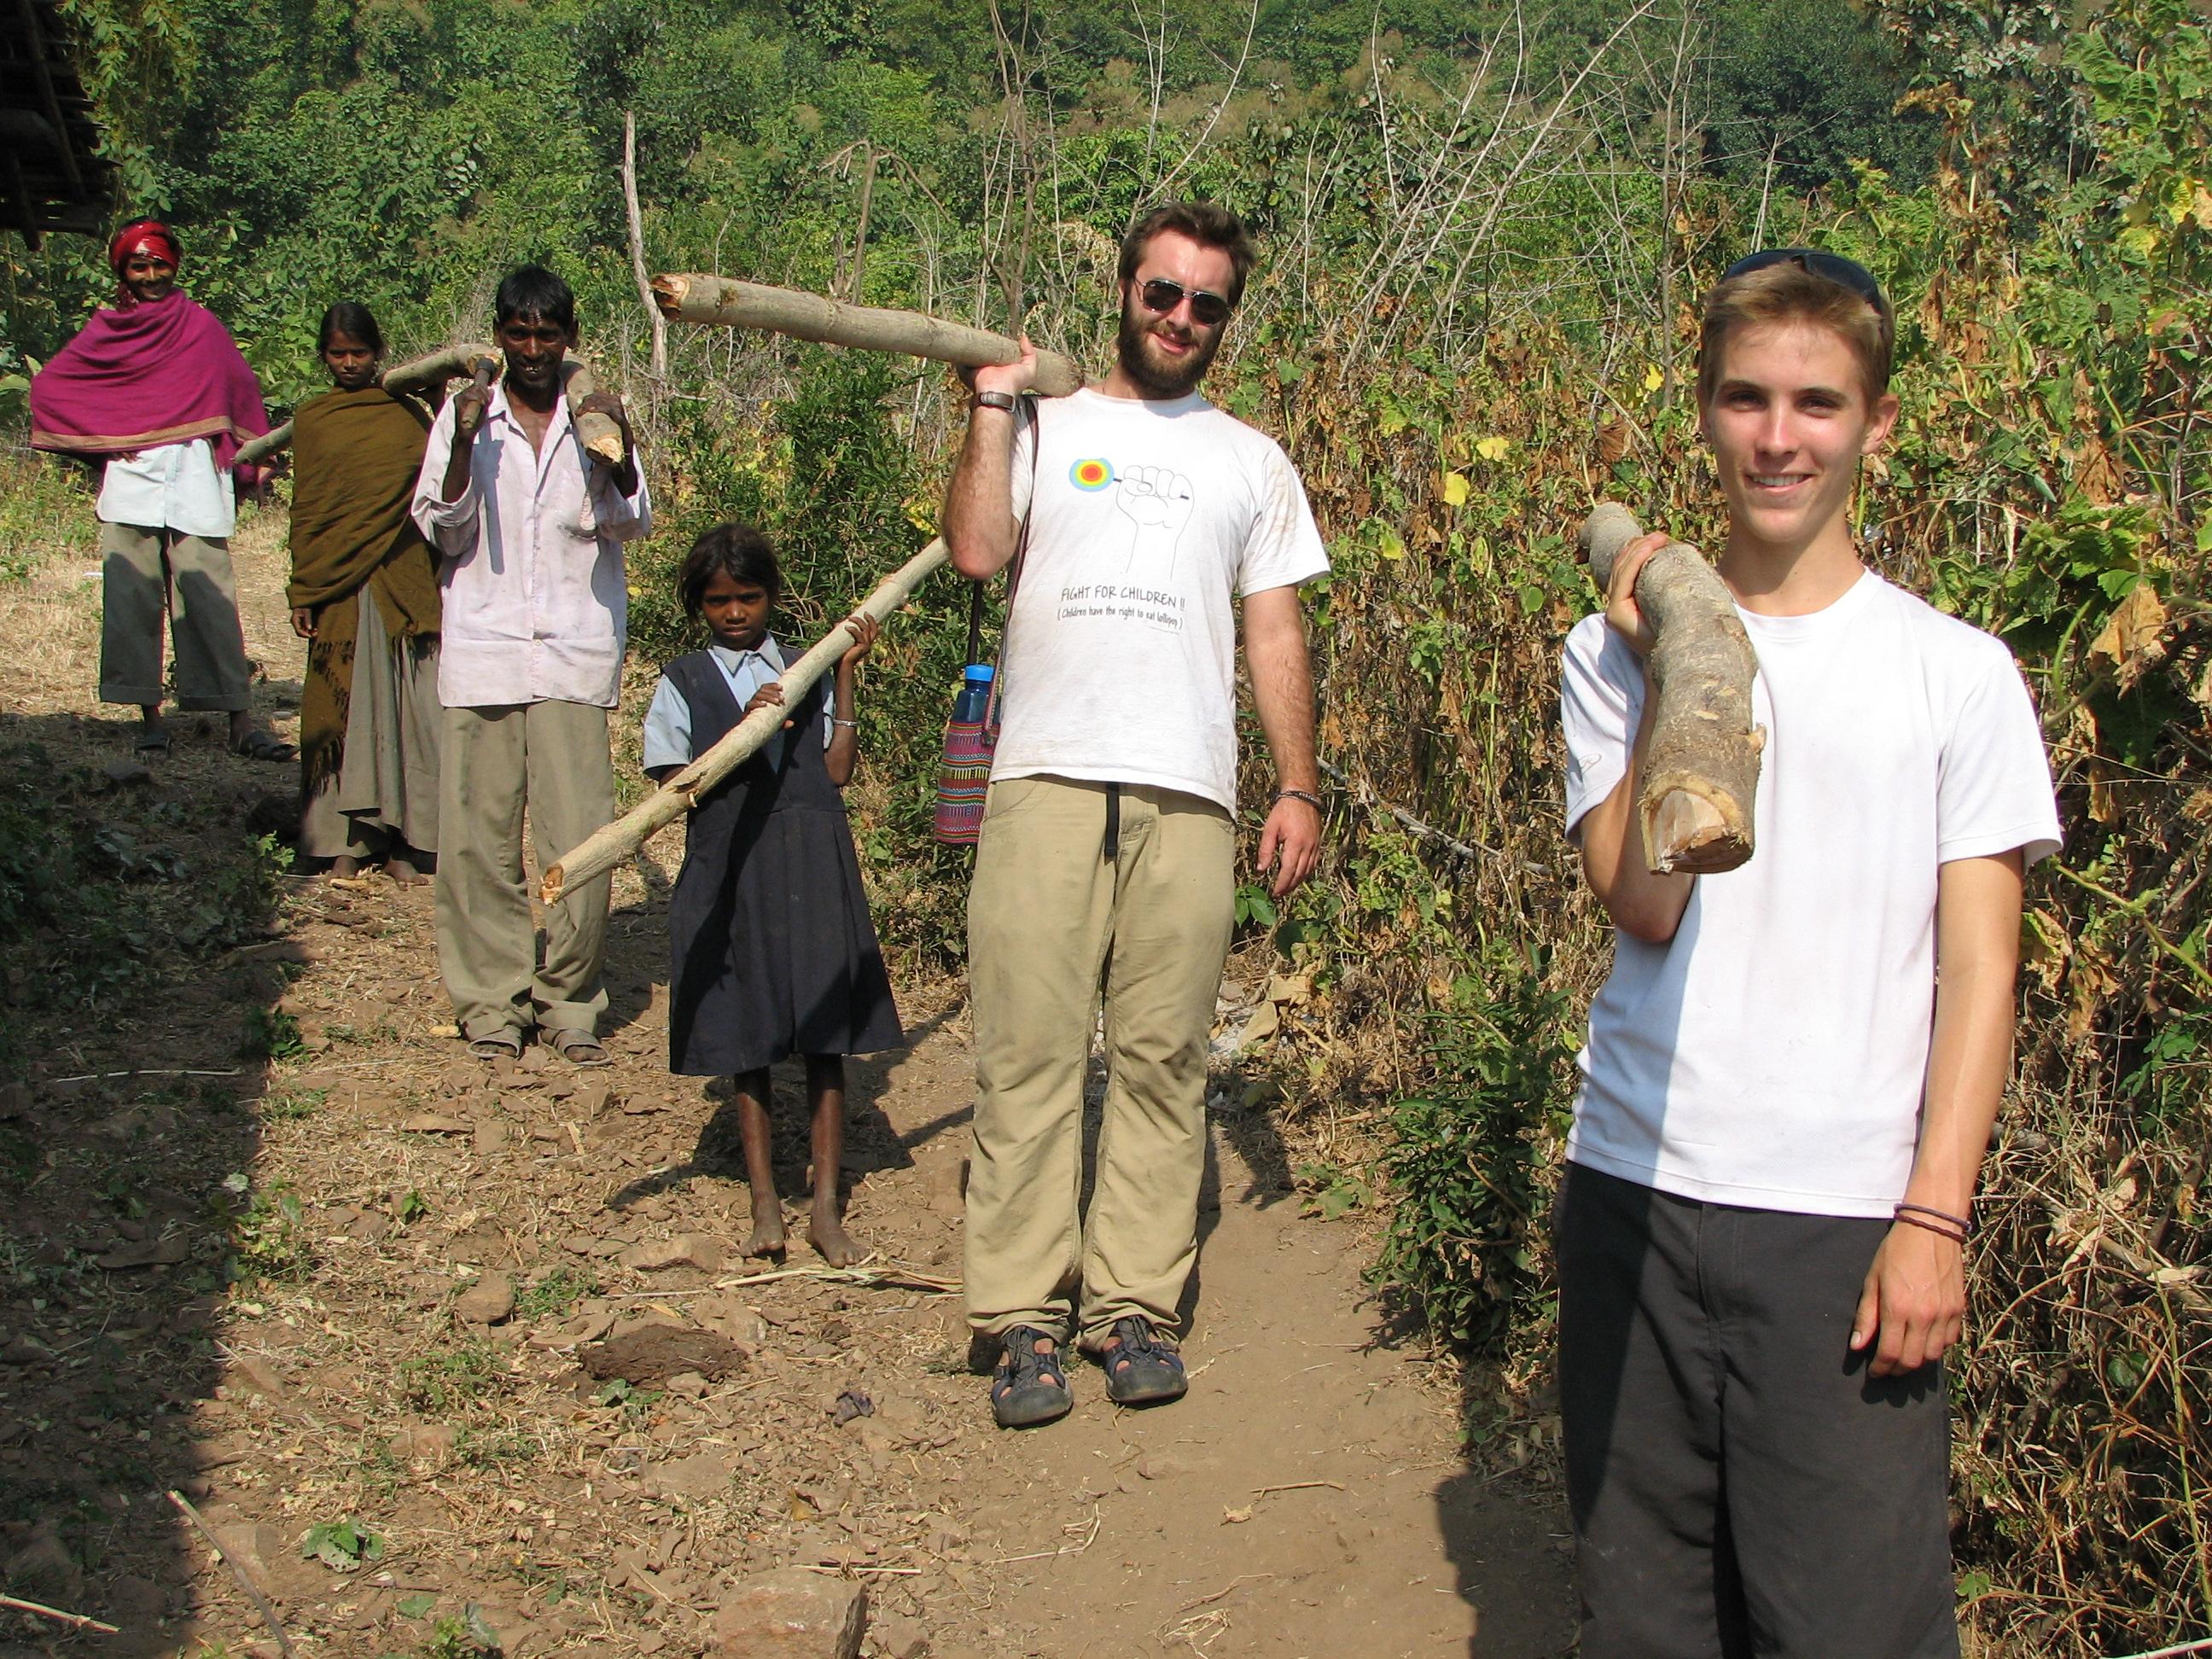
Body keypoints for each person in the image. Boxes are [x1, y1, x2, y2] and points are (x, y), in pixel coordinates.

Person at [1554, 248, 2061, 1656]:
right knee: (1646, 1613)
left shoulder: (1953, 672)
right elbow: (1642, 902)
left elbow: (1980, 968)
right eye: (1745, 397)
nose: (1778, 436)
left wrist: (1934, 1214)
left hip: (1843, 1223)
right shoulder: (1609, 657)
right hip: (1632, 1188)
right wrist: (1680, 667)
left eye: (1817, 403)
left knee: (1846, 1624)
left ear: (1876, 423)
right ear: (1704, 413)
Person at [941, 201, 1329, 1429]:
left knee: (1165, 1057)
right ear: (1124, 291)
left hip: (1190, 788)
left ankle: (1134, 1309)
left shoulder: (1254, 462)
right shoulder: (1047, 420)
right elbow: (974, 549)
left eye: (1206, 302)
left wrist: (1297, 781)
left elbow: (1275, 627)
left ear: (1227, 319)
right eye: (1162, 293)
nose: (1181, 318)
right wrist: (990, 410)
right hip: (1045, 775)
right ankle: (1021, 1319)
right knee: (1030, 1050)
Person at [640, 524, 905, 1266]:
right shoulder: (683, 680)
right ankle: (765, 1205)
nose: (735, 613)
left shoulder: (805, 665)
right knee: (746, 1035)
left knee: (825, 1038)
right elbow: (675, 786)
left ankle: (824, 1209)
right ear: (700, 605)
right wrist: (752, 727)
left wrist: (843, 672)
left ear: (770, 596)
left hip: (811, 859)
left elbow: (838, 770)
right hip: (731, 867)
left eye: (748, 597)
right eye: (719, 601)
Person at [410, 264, 649, 1066]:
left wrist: (611, 445)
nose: (535, 347)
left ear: (569, 337)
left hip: (574, 659)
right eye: (520, 332)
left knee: (579, 843)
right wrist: (466, 437)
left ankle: (571, 1005)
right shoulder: (464, 417)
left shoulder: (598, 418)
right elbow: (441, 526)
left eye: (550, 333)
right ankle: (490, 1007)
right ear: (503, 336)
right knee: (478, 842)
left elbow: (633, 519)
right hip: (483, 653)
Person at [27, 218, 291, 761]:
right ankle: (150, 718)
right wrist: (100, 443)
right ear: (123, 270)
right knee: (133, 600)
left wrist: (256, 456)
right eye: (138, 266)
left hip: (196, 477)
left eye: (159, 264)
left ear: (175, 265)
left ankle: (239, 719)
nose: (151, 275)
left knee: (210, 599)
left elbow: (240, 388)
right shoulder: (109, 328)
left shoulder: (200, 326)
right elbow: (53, 386)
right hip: (131, 482)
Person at [287, 303, 440, 882]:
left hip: (401, 582)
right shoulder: (314, 419)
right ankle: (339, 840)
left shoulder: (408, 417)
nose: (349, 363)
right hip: (339, 587)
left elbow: (437, 498)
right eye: (337, 353)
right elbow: (309, 507)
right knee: (342, 710)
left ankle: (410, 841)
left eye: (359, 352)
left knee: (409, 711)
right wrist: (306, 588)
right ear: (324, 356)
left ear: (379, 353)